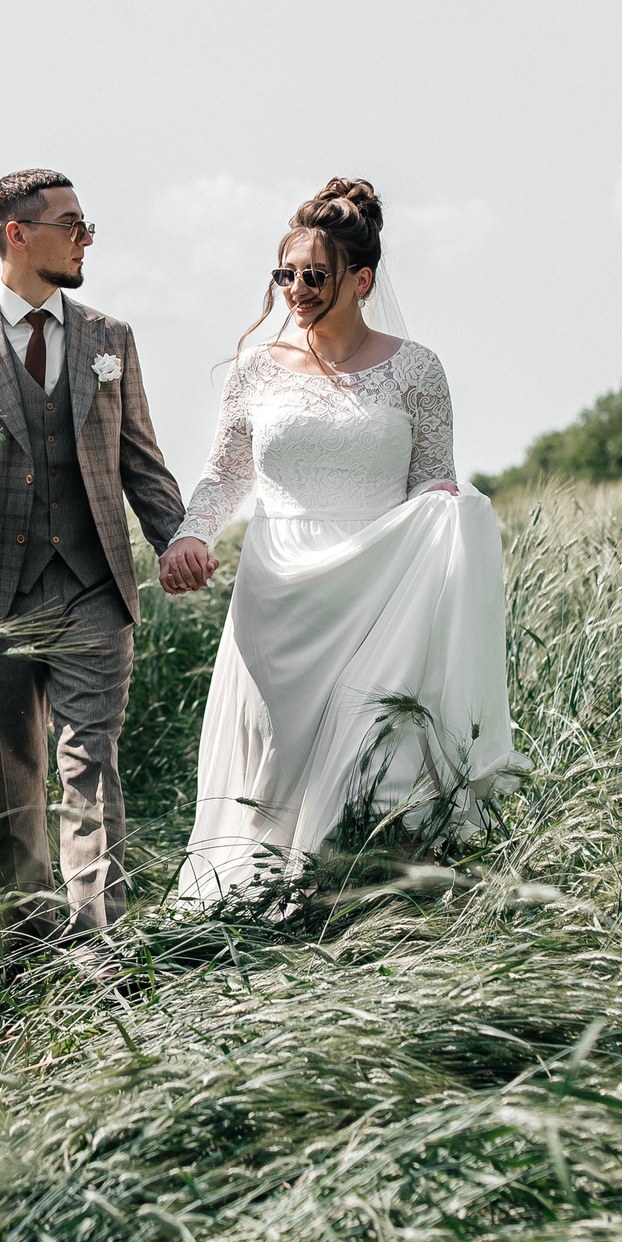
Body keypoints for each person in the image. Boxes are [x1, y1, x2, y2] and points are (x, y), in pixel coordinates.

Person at [160, 178, 528, 900]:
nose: (296, 290)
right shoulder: (256, 369)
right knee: (274, 746)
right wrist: (191, 534)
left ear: (361, 281)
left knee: (374, 741)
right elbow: (225, 473)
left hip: (380, 588)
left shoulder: (417, 369)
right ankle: (258, 897)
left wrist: (451, 512)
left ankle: (365, 898)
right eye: (286, 274)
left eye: (315, 276)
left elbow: (433, 481)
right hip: (277, 587)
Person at [0, 169, 194, 946]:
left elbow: (141, 461)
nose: (86, 238)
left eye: (87, 225)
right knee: (13, 775)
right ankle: (32, 945)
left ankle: (102, 949)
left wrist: (175, 540)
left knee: (91, 764)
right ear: (18, 234)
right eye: (72, 224)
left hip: (92, 582)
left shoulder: (110, 339)